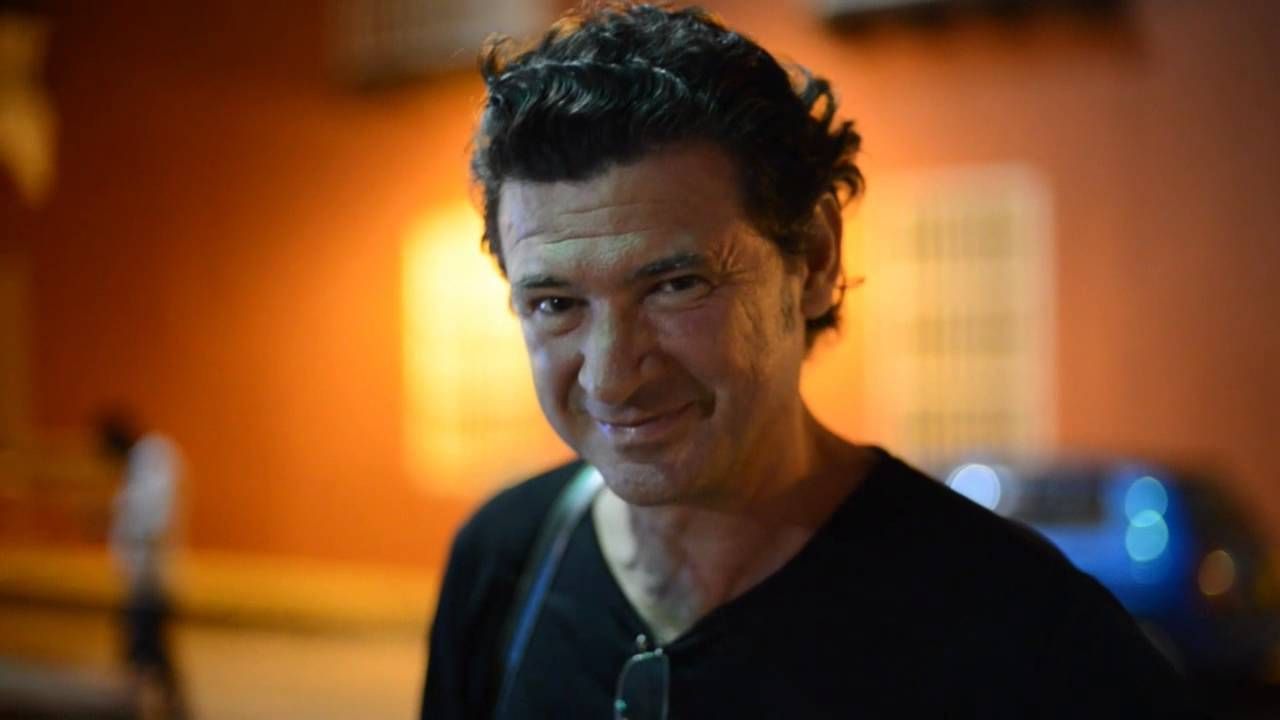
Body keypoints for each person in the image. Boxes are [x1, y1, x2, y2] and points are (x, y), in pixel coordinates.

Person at [421, 3, 1199, 718]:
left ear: (816, 258)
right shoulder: (506, 562)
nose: (611, 375)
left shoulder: (1030, 635)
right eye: (555, 303)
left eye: (676, 285)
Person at [99, 411, 187, 720]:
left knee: (143, 649)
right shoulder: (141, 465)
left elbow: (152, 520)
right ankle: (172, 709)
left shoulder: (154, 458)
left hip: (150, 579)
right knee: (152, 652)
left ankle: (141, 708)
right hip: (142, 577)